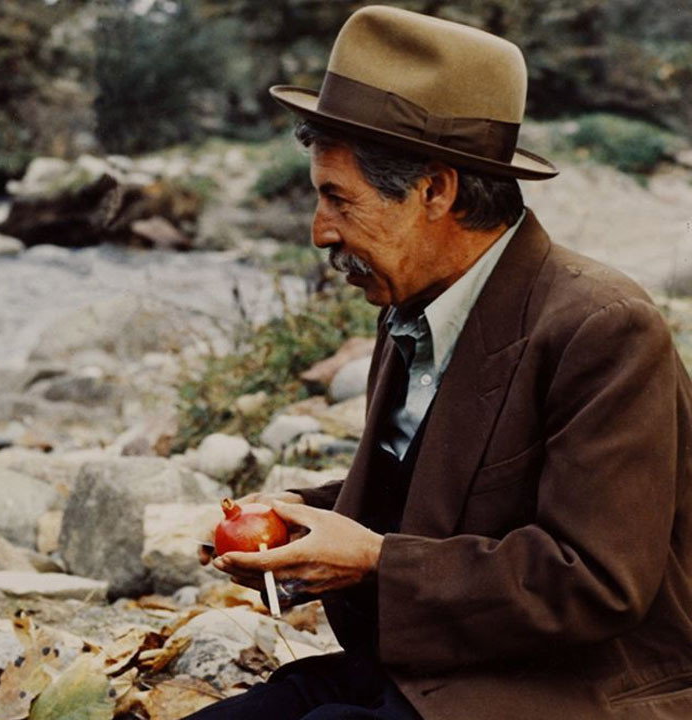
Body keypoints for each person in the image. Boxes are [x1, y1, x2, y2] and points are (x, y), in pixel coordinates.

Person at [190, 6, 692, 720]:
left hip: (575, 688)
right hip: (435, 669)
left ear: (435, 190)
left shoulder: (602, 329)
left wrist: (373, 561)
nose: (320, 232)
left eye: (339, 200)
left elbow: (595, 581)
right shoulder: (417, 306)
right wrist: (298, 517)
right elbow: (443, 496)